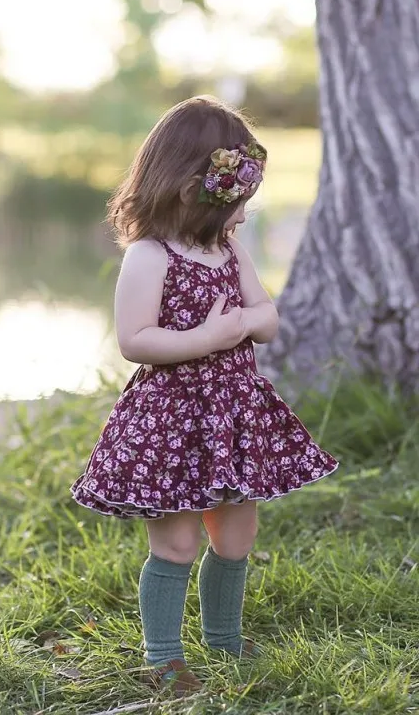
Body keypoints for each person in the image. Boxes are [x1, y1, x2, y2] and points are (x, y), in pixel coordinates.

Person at [70, 96, 338, 697]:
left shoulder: (226, 250)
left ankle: (223, 637)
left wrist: (242, 325)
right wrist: (206, 336)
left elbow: (266, 316)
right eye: (238, 200)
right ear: (192, 190)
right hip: (172, 417)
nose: (245, 213)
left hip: (233, 415)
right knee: (177, 538)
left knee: (236, 531)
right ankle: (164, 656)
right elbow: (134, 340)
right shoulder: (149, 256)